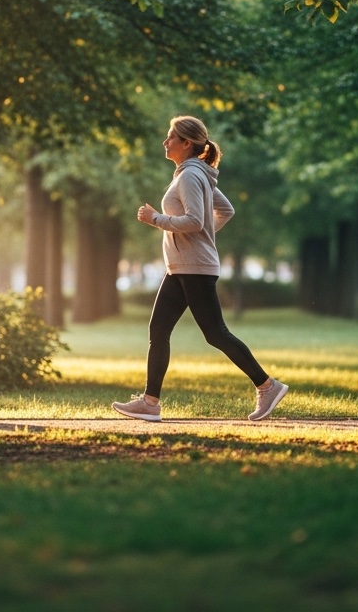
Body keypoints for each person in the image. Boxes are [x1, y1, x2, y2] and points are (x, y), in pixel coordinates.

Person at [112, 115, 288, 423]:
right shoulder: (194, 174)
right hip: (181, 266)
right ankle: (150, 403)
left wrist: (156, 219)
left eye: (170, 137)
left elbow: (195, 221)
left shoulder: (191, 176)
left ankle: (267, 386)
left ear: (186, 143)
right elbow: (225, 211)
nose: (165, 142)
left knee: (215, 333)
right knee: (159, 330)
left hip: (194, 267)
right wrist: (202, 238)